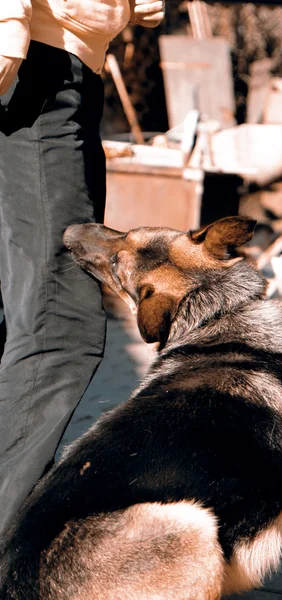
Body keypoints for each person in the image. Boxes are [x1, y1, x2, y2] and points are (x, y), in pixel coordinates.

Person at [0, 0, 165, 537]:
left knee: (20, 311)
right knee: (58, 326)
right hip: (33, 69)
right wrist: (7, 26)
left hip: (55, 70)